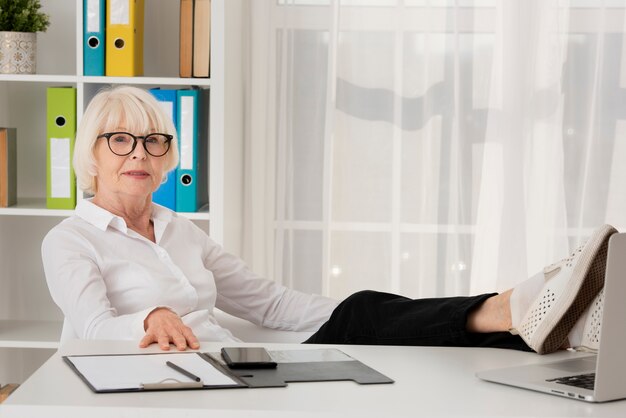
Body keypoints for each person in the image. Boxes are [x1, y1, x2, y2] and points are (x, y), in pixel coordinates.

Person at [42, 85, 616, 356]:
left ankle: (545, 324)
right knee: (372, 316)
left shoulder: (179, 230)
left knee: (378, 319)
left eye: (152, 140)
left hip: (235, 366)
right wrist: (153, 314)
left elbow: (268, 303)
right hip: (173, 384)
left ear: (166, 157)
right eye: (119, 140)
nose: (137, 153)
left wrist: (365, 315)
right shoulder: (69, 241)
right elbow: (91, 328)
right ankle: (525, 306)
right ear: (91, 156)